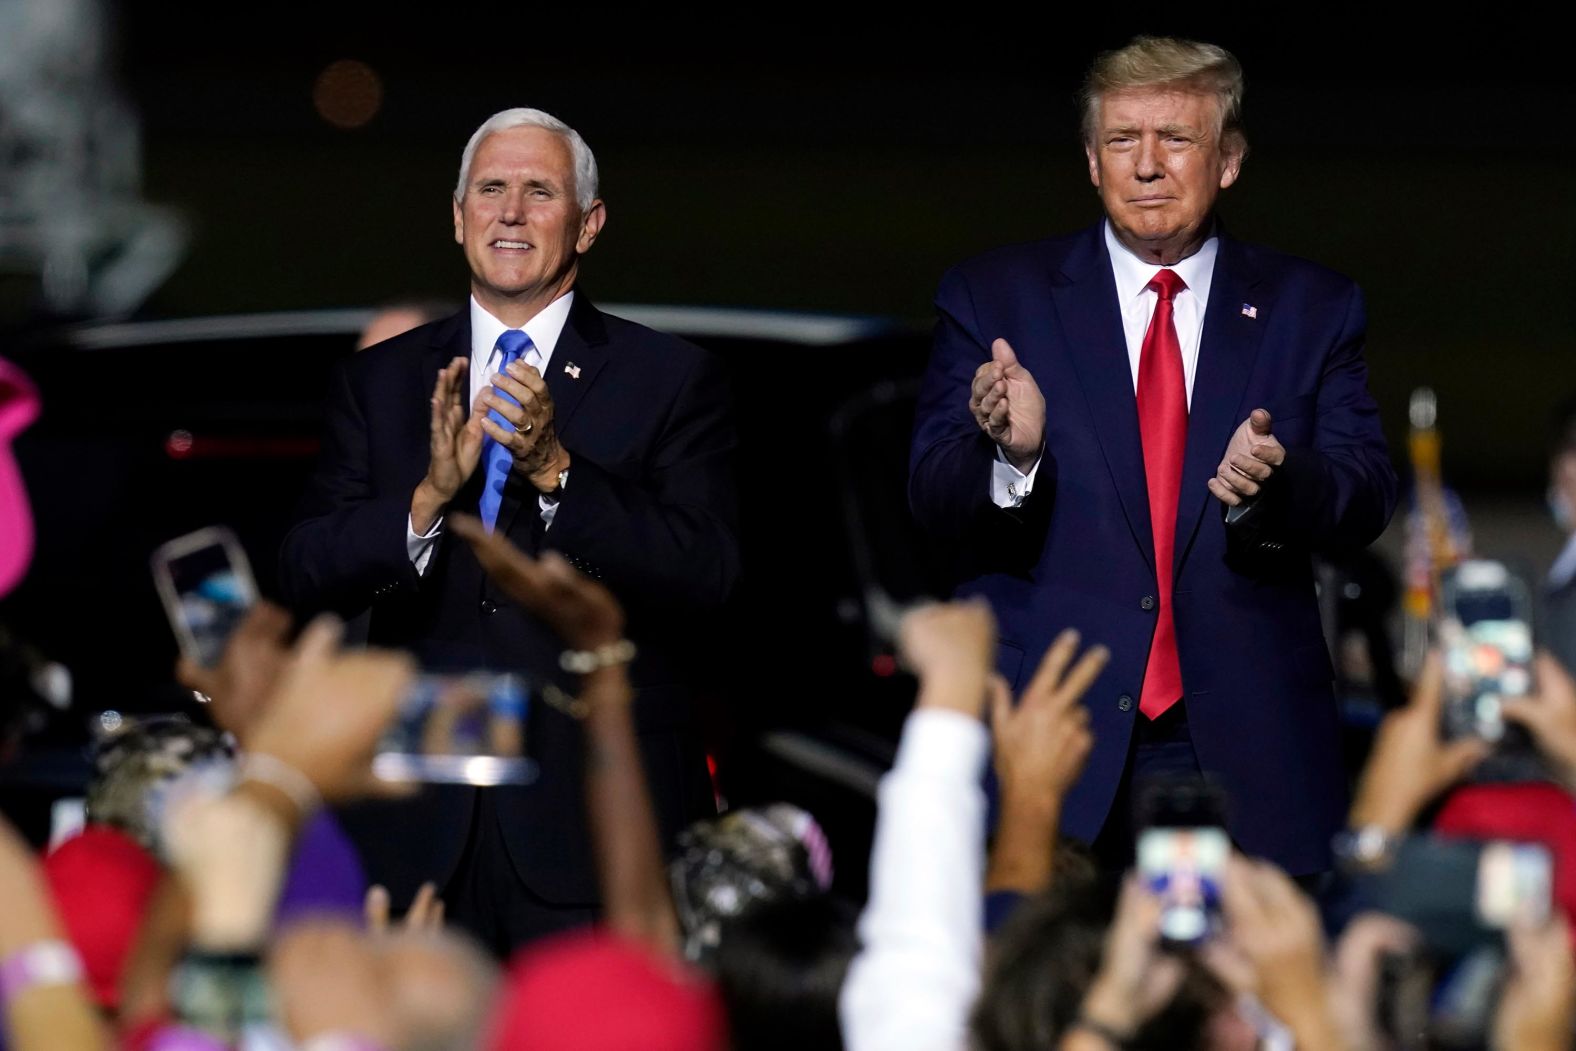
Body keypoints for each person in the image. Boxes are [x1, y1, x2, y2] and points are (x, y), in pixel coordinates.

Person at [908, 36, 1396, 875]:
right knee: (1043, 1004)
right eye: (1123, 141)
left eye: (1175, 139)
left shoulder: (1309, 308)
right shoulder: (997, 297)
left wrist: (1277, 483)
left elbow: (1366, 489)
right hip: (1056, 729)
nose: (1147, 166)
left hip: (1241, 742)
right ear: (1092, 162)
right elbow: (928, 492)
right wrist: (1011, 461)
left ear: (1229, 160)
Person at [277, 106, 740, 951]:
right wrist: (423, 503)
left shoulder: (672, 378)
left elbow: (706, 572)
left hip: (590, 825)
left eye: (539, 191)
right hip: (418, 828)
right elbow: (305, 566)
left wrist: (560, 470)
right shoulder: (379, 381)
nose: (511, 212)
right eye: (490, 189)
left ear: (589, 224)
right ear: (458, 217)